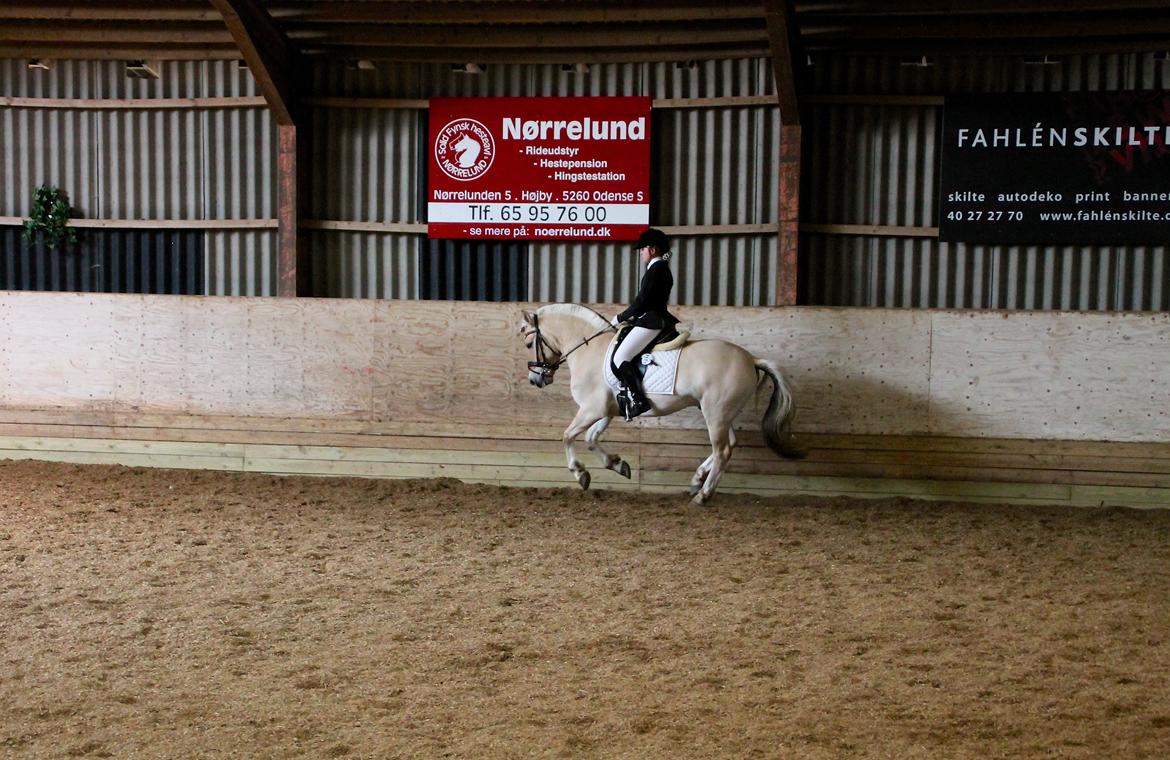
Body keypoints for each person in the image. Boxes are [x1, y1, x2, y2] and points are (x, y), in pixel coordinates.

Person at [611, 227, 679, 419]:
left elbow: (642, 301)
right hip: (651, 317)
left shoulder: (657, 270)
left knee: (620, 356)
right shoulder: (658, 269)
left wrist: (620, 317)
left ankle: (639, 400)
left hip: (652, 320)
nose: (641, 253)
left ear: (653, 249)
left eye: (643, 249)